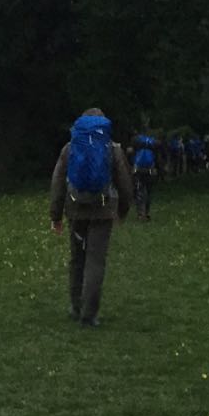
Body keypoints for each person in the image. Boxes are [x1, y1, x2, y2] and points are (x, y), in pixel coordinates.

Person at [50, 108, 133, 327]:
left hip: (75, 210)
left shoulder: (70, 148)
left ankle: (75, 306)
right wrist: (123, 210)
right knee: (95, 261)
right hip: (103, 211)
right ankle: (89, 315)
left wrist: (55, 216)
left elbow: (58, 182)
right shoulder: (112, 148)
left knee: (77, 258)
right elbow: (124, 182)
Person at [132, 133, 157, 221]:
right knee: (148, 192)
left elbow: (132, 153)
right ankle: (146, 213)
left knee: (139, 192)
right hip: (150, 170)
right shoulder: (152, 142)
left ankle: (140, 214)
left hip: (138, 170)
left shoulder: (137, 141)